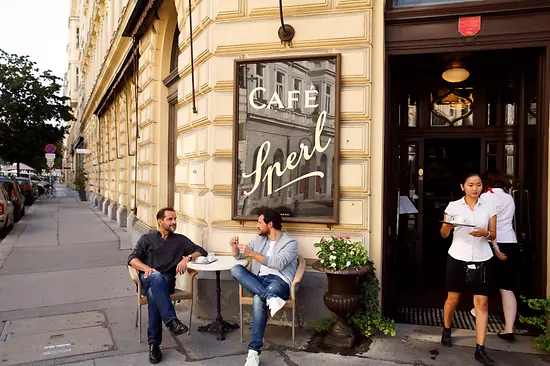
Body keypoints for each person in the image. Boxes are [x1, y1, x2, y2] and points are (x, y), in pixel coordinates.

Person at [128, 207, 208, 364]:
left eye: (175, 219)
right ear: (160, 222)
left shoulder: (180, 240)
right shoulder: (147, 239)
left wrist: (187, 258)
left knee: (153, 294)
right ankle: (171, 321)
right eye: (170, 219)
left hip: (167, 282)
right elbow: (132, 259)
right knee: (155, 279)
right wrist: (146, 268)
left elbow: (201, 251)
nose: (174, 222)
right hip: (148, 279)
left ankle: (154, 344)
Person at [440, 173, 497, 366]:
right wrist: (448, 225)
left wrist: (486, 233)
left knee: (482, 304)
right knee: (452, 300)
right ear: (462, 186)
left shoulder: (489, 206)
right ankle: (447, 328)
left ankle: (480, 348)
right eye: (471, 185)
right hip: (457, 256)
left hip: (483, 258)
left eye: (479, 185)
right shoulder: (453, 206)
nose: (475, 188)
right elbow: (444, 234)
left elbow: (493, 235)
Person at [230, 207, 298, 366]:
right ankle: (271, 298)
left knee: (258, 299)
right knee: (236, 269)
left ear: (270, 224)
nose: (257, 225)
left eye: (260, 222)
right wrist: (234, 247)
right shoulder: (259, 239)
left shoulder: (290, 243)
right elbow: (240, 256)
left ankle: (253, 352)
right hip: (259, 280)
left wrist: (251, 253)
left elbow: (277, 263)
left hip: (279, 282)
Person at [470, 170, 518, 342]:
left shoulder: (486, 198)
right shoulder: (509, 197)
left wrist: (495, 247)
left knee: (484, 280)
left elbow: (490, 226)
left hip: (493, 243)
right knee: (507, 286)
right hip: (511, 241)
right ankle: (508, 329)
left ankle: (478, 312)